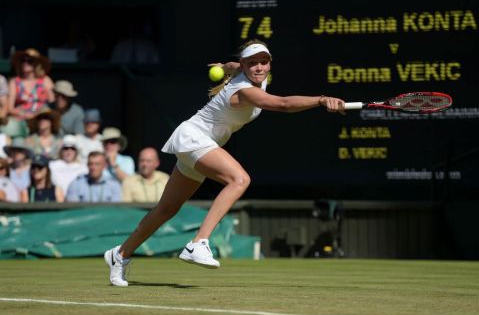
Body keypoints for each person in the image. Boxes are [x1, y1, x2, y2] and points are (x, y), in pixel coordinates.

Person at [104, 39, 345, 286]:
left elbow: (232, 66)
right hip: (194, 137)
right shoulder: (243, 90)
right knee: (239, 179)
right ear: (245, 65)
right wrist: (321, 100)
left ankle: (119, 255)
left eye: (264, 62)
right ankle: (199, 242)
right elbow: (282, 104)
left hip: (199, 143)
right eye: (252, 63)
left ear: (270, 64)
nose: (259, 67)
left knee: (166, 209)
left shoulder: (247, 73)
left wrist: (226, 66)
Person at [5, 48, 54, 139]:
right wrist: (25, 114)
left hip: (41, 118)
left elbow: (52, 103)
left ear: (37, 64)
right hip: (22, 120)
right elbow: (10, 108)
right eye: (23, 60)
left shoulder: (45, 80)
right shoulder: (15, 82)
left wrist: (39, 114)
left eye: (30, 61)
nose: (25, 63)